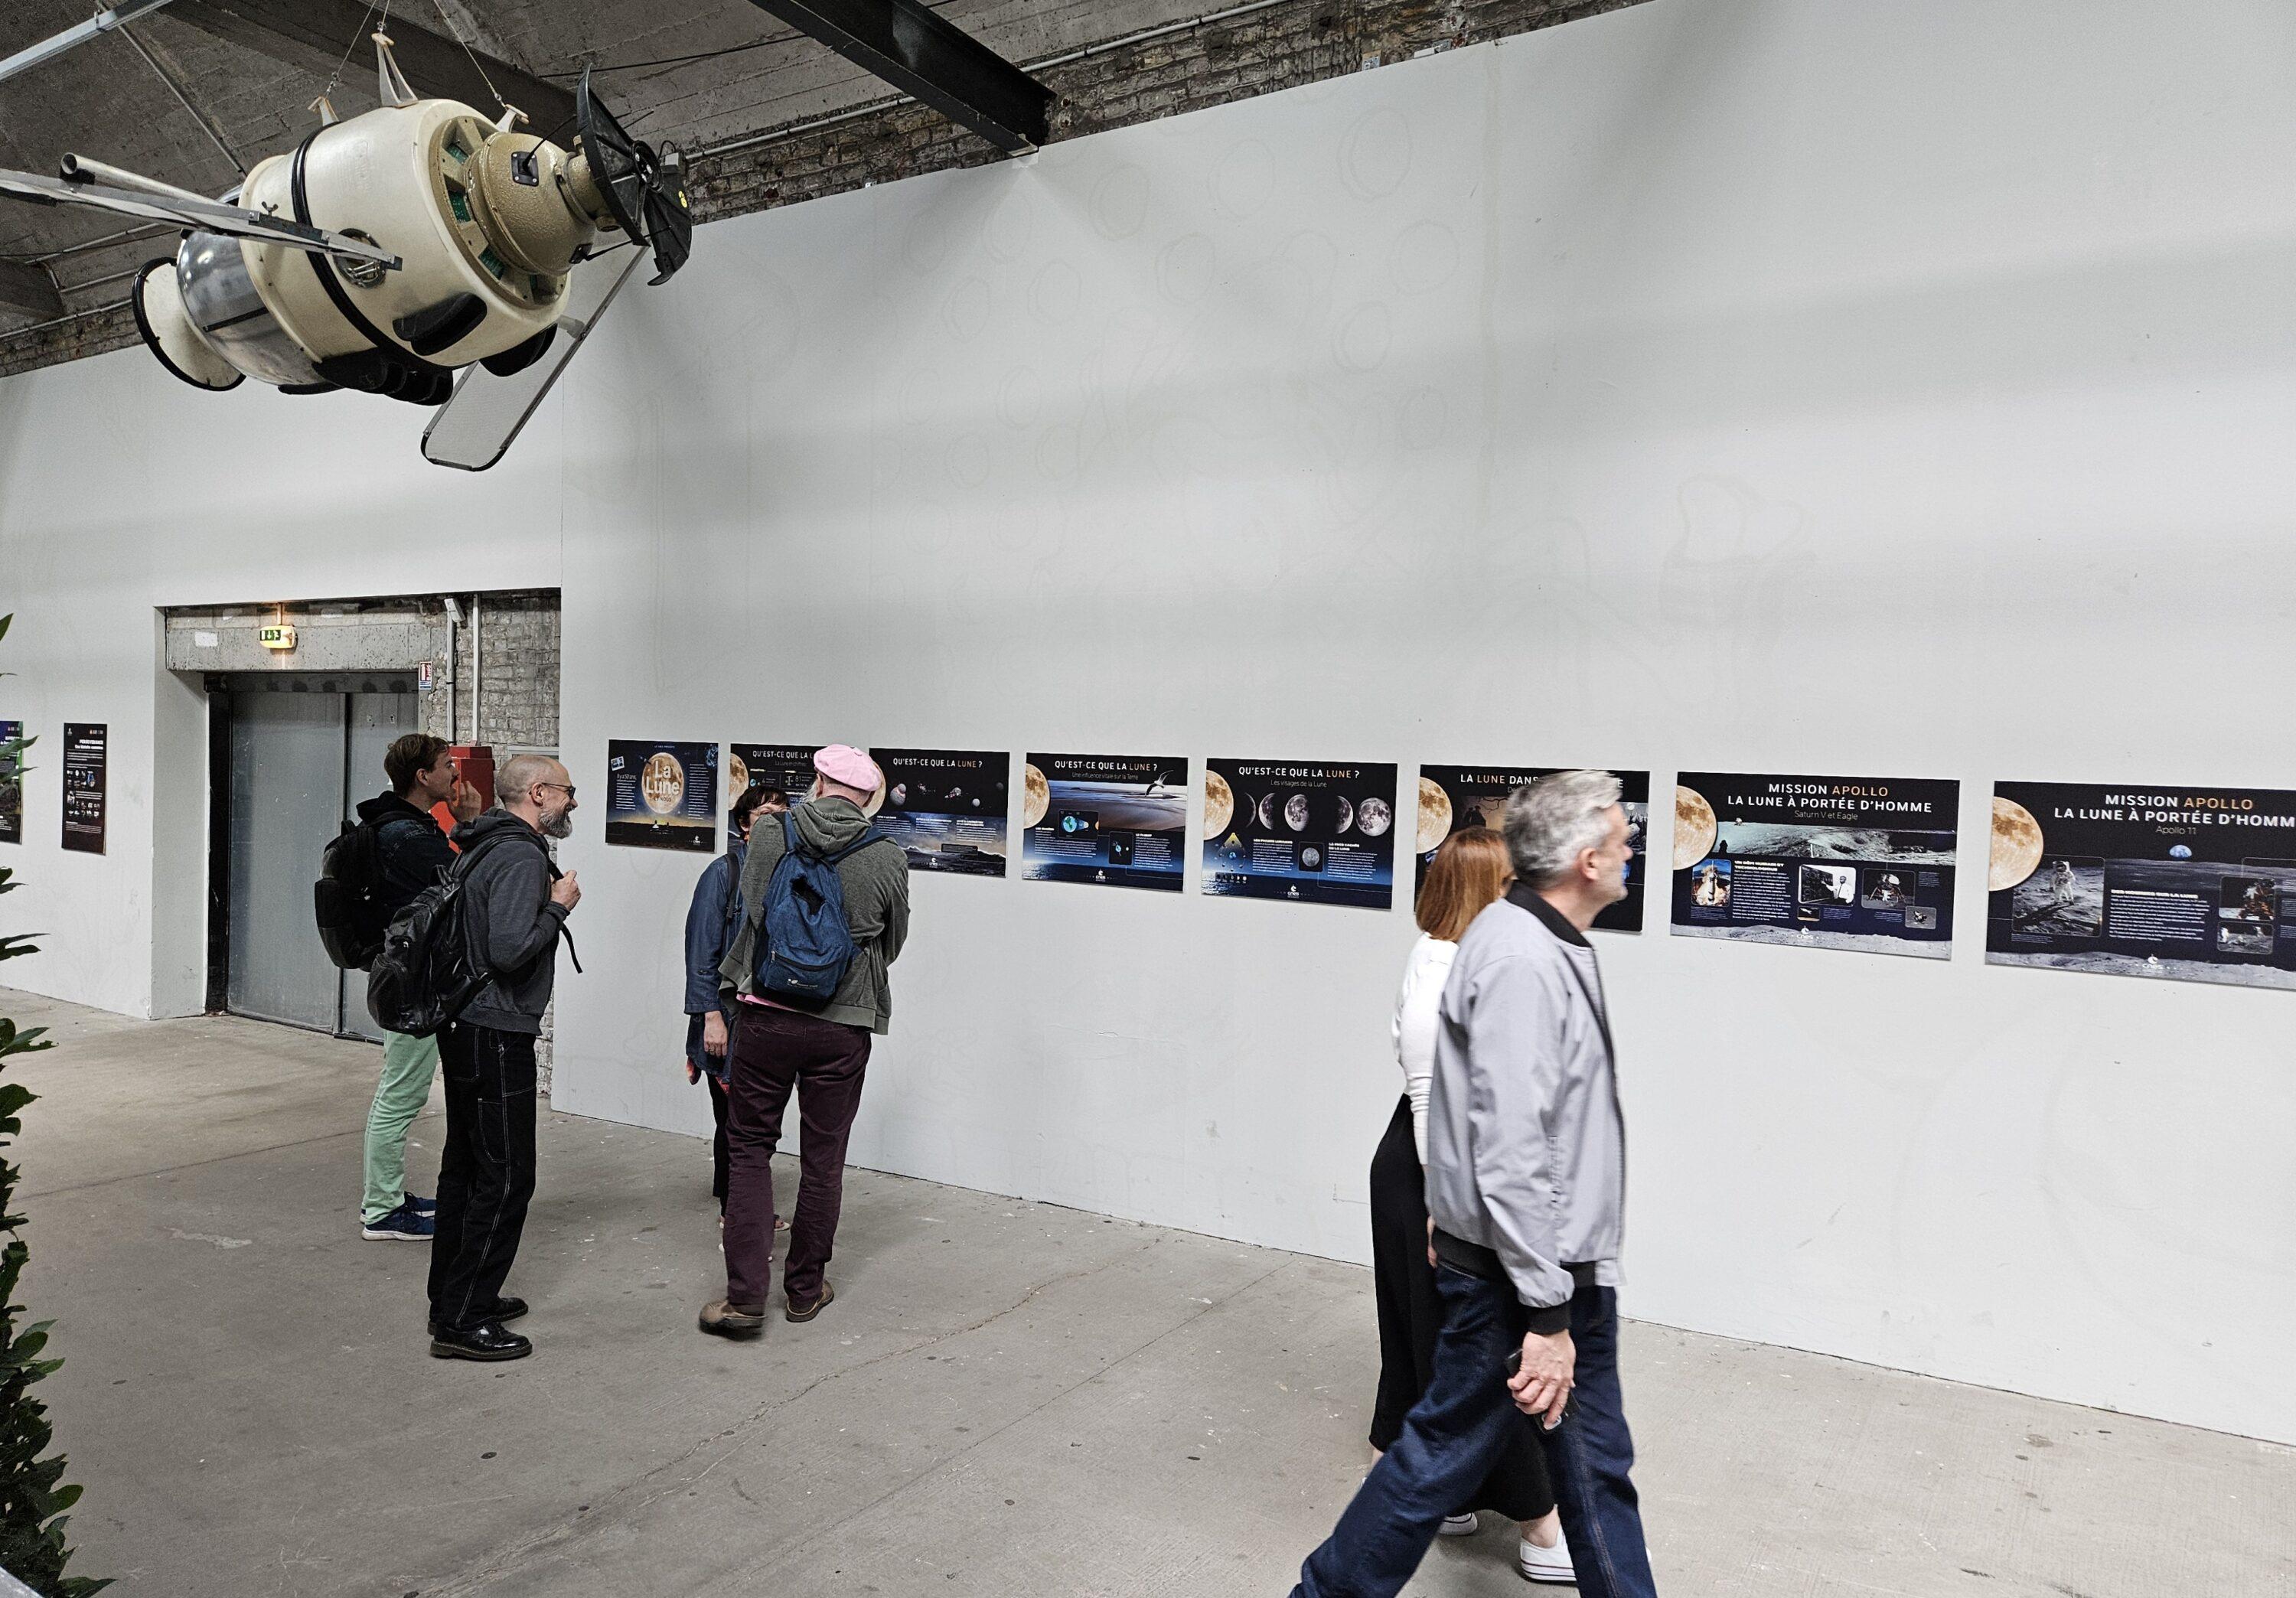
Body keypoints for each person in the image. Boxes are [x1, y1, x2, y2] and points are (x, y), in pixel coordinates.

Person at [1292, 769, 1655, 1598]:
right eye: (1617, 832)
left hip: (1550, 1260)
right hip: (1516, 1264)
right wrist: (1548, 1309)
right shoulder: (1514, 963)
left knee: (1590, 1468)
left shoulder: (1540, 947)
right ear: (1579, 857)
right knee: (1443, 1452)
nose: (1631, 844)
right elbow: (1509, 1146)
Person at [1374, 827, 1572, 1585]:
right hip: (1441, 1175)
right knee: (1497, 1353)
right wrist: (1443, 1207)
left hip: (1460, 1167)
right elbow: (1430, 1101)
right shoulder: (1439, 976)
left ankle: (1447, 1497)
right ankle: (1543, 1530)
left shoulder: (1460, 955)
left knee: (1440, 1341)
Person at [700, 745, 908, 1339]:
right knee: (823, 1161)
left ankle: (743, 1301)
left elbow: (753, 913)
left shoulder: (771, 832)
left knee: (748, 1151)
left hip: (766, 1014)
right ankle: (804, 1290)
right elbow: (892, 943)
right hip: (841, 1026)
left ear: (817, 781)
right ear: (868, 797)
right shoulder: (886, 855)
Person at [426, 753, 581, 1362]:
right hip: (494, 1029)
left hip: (467, 1024)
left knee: (465, 1167)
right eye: (566, 792)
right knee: (509, 1174)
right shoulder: (520, 855)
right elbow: (511, 950)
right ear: (538, 793)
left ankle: (454, 1296)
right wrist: (560, 905)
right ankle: (463, 1320)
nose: (571, 802)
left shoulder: (484, 843)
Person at [355, 733, 480, 1242]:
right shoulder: (408, 837)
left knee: (399, 1089)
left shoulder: (401, 827)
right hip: (413, 983)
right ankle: (381, 1211)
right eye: (447, 765)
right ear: (423, 778)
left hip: (409, 975)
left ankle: (386, 1198)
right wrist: (471, 824)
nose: (456, 772)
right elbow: (466, 885)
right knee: (400, 1095)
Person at [682, 785, 787, 1218]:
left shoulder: (787, 874)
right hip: (726, 1016)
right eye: (764, 813)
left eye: (782, 814)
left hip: (767, 1017)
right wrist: (710, 1017)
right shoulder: (723, 873)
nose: (774, 821)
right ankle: (739, 1211)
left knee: (751, 1117)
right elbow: (700, 951)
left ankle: (735, 1196)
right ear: (744, 823)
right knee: (735, 1118)